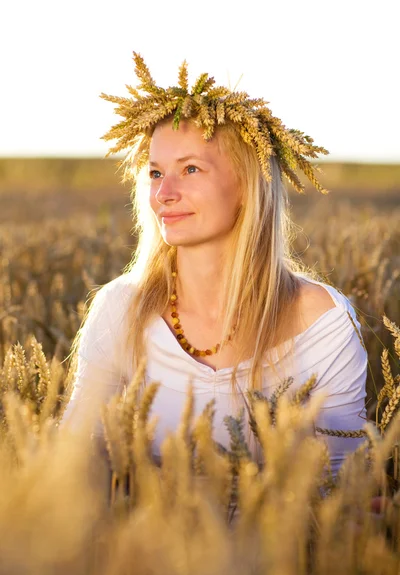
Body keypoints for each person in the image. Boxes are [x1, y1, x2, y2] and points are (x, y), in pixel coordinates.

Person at [61, 52, 368, 479]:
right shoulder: (120, 309)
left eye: (190, 168)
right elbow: (73, 470)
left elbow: (340, 488)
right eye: (154, 173)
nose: (164, 193)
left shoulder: (321, 322)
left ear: (246, 185)